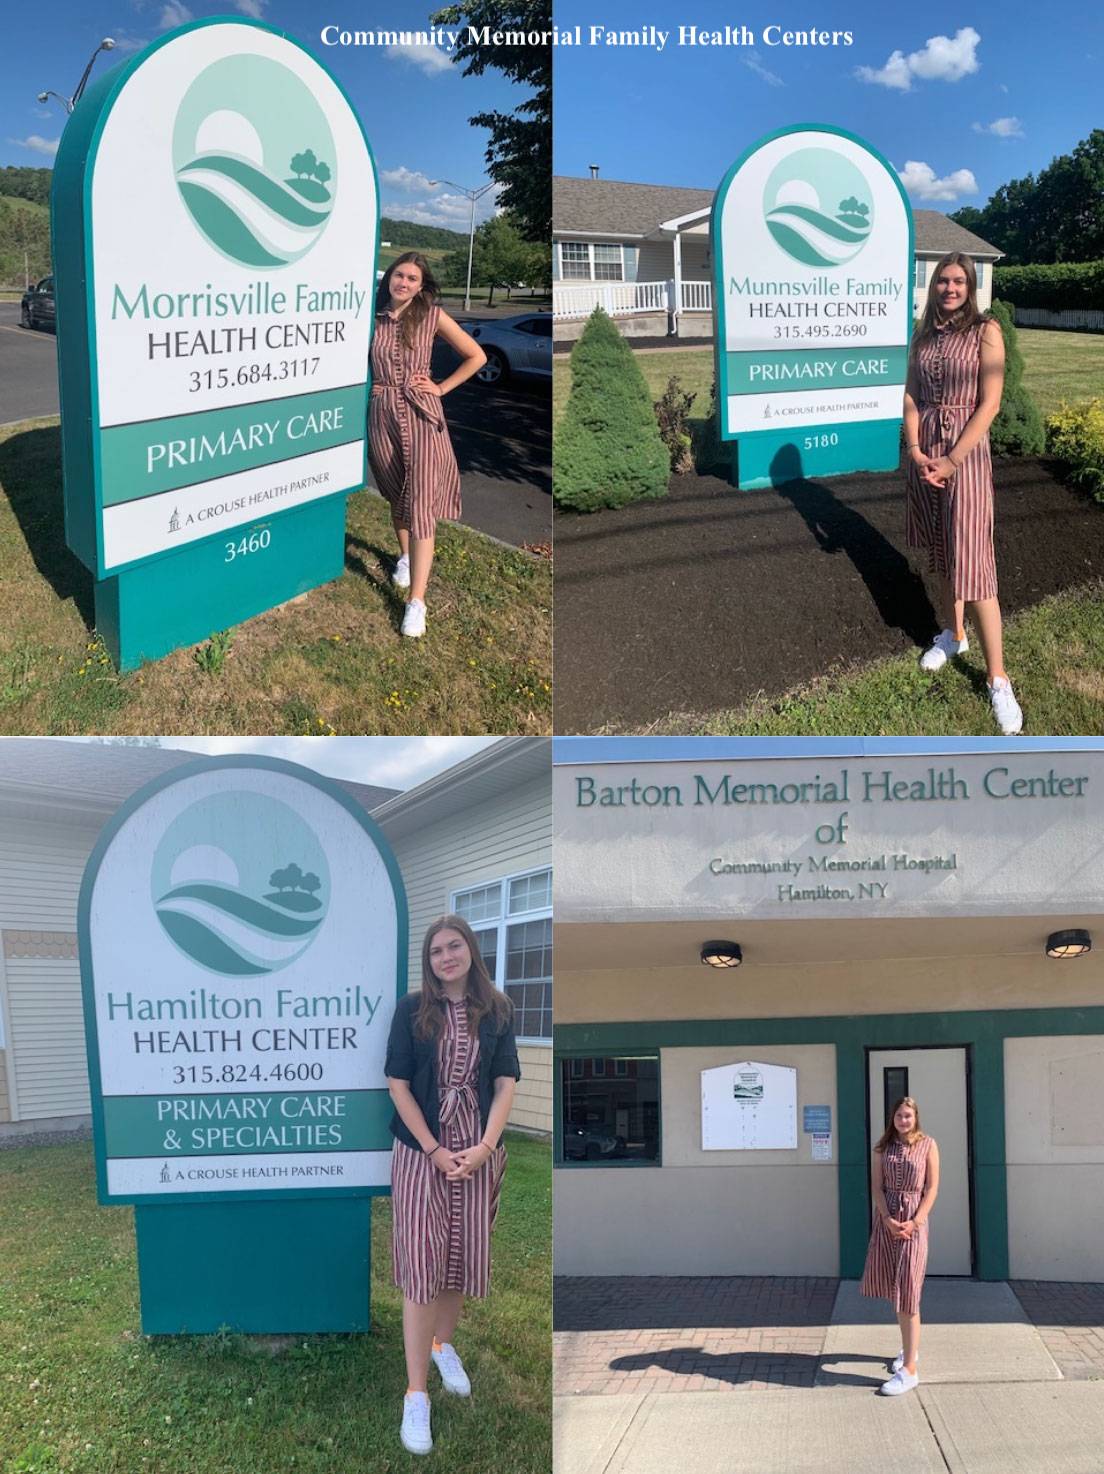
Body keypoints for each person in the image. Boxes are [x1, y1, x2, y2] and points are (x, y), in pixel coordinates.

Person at [384, 914, 520, 1454]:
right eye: (436, 950)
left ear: (470, 950)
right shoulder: (412, 1010)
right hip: (424, 1151)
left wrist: (484, 1147)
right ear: (429, 960)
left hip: (478, 1149)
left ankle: (444, 1346)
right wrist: (436, 1150)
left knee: (457, 1261)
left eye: (454, 946)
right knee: (423, 1265)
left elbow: (504, 1083)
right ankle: (416, 1393)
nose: (446, 957)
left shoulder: (499, 1010)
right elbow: (397, 1085)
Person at [903, 251, 1023, 735]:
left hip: (966, 456)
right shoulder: (924, 335)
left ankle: (997, 678)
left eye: (959, 281)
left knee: (974, 561)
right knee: (943, 551)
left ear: (970, 287)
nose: (950, 288)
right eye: (942, 281)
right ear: (934, 285)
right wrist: (915, 448)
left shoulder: (986, 330)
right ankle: (954, 636)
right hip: (926, 450)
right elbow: (911, 394)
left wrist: (952, 459)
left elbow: (990, 401)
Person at [369, 253, 487, 638]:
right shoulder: (373, 317)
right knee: (395, 493)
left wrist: (440, 387)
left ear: (422, 285)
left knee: (421, 502)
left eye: (413, 278)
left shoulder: (432, 316)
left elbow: (476, 356)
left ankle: (416, 602)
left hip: (421, 414)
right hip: (382, 411)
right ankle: (405, 557)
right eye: (399, 275)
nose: (404, 283)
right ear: (390, 278)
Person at [859, 1096, 940, 1395]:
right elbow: (876, 1188)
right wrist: (888, 1219)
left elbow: (931, 1187)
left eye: (907, 1116)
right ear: (891, 1119)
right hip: (888, 1222)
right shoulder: (882, 1148)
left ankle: (910, 1371)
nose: (902, 1120)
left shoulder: (928, 1145)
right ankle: (909, 1351)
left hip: (914, 1225)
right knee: (896, 1288)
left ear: (915, 1117)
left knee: (908, 1290)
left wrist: (916, 1221)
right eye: (898, 1116)